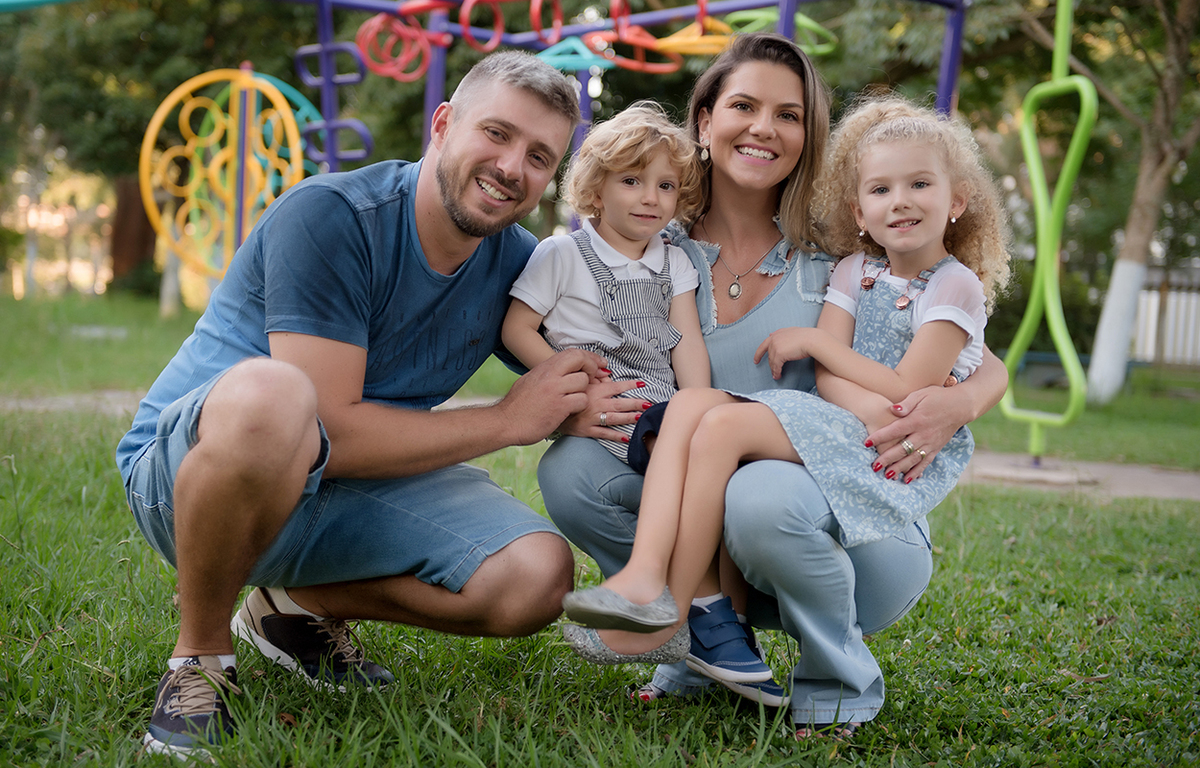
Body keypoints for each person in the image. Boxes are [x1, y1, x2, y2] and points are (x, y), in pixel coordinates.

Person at [115, 51, 595, 756]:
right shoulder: (333, 215)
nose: (511, 166)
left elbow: (600, 367)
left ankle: (294, 608)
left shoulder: (520, 266)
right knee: (276, 394)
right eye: (496, 133)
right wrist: (505, 422)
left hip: (347, 489)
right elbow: (328, 428)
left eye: (538, 155)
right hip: (197, 477)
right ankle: (201, 659)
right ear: (443, 124)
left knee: (536, 577)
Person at [538, 33, 1010, 736]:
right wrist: (573, 401)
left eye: (788, 115)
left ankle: (832, 680)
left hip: (845, 522)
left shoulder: (844, 249)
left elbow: (972, 353)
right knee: (578, 469)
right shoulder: (651, 247)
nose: (764, 127)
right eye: (744, 105)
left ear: (808, 137)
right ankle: (701, 635)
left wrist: (962, 402)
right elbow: (549, 309)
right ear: (704, 122)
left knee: (756, 494)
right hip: (724, 506)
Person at [502, 101, 708, 470]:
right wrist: (573, 385)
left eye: (666, 186)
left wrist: (698, 405)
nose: (650, 198)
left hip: (661, 399)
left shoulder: (674, 261)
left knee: (703, 450)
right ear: (597, 192)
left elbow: (687, 341)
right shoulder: (563, 253)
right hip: (598, 397)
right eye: (631, 181)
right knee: (680, 464)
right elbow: (517, 329)